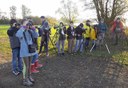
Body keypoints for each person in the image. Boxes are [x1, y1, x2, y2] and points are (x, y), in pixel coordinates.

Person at [16, 20, 36, 86]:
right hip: (25, 51)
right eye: (26, 24)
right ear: (23, 24)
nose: (27, 25)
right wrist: (23, 27)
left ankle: (29, 77)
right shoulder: (21, 31)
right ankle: (25, 80)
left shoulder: (29, 31)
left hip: (30, 50)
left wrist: (34, 29)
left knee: (29, 65)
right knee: (26, 66)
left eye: (28, 24)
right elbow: (17, 35)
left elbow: (36, 35)